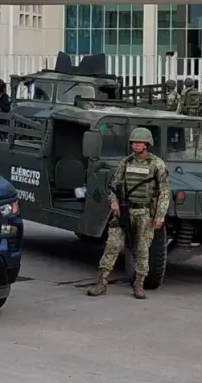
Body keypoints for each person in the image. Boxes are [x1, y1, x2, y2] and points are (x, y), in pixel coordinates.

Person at [86, 127, 170, 300]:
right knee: (112, 246)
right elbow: (114, 185)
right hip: (124, 211)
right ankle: (101, 282)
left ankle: (139, 284)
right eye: (134, 142)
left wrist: (160, 216)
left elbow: (164, 193)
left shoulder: (157, 164)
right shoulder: (125, 163)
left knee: (142, 249)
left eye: (140, 142)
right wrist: (114, 201)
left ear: (147, 144)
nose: (136, 145)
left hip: (144, 213)